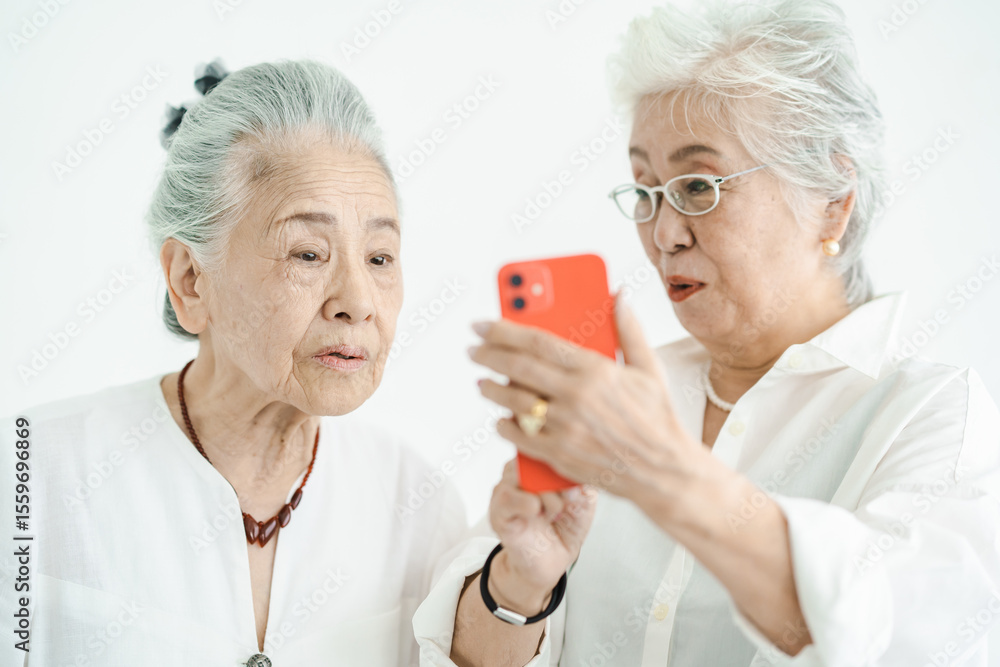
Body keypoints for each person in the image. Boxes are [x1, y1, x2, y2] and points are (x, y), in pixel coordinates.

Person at [412, 1, 1000, 664]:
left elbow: (888, 633)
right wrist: (521, 583)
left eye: (699, 186)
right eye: (646, 190)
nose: (664, 233)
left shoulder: (934, 416)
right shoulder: (619, 401)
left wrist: (663, 471)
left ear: (832, 202)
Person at [0, 59, 465, 666]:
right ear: (191, 281)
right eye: (308, 253)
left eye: (380, 258)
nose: (358, 302)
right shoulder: (31, 473)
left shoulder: (419, 506)